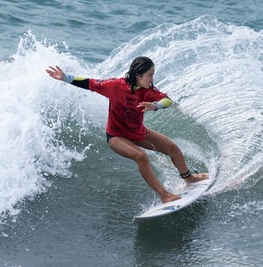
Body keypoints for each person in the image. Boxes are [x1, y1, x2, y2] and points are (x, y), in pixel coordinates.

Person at [46, 56, 208, 203]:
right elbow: (90, 83)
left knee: (173, 148)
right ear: (138, 75)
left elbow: (168, 101)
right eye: (149, 75)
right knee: (141, 156)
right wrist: (65, 78)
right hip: (116, 136)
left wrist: (155, 105)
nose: (152, 78)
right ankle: (164, 195)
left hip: (138, 133)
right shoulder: (115, 86)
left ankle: (189, 179)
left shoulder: (148, 91)